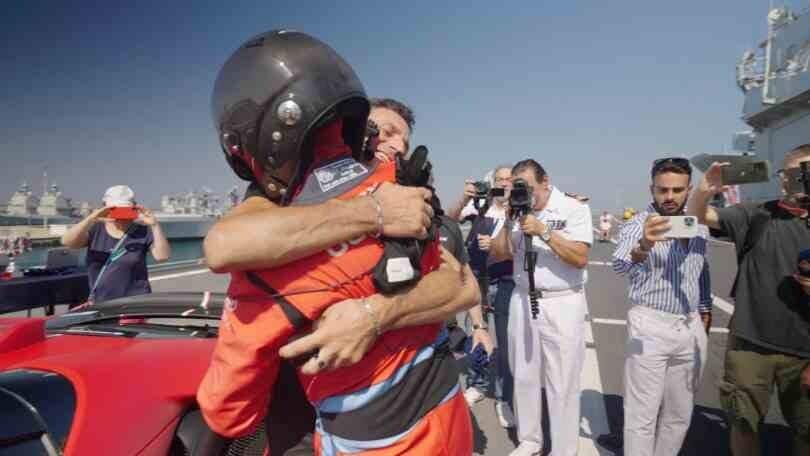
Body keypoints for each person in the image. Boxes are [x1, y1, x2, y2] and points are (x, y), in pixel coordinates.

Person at [196, 30, 474, 455]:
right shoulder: (406, 201)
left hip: (371, 440)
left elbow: (229, 405)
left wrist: (372, 315)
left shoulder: (270, 253)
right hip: (446, 416)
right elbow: (459, 282)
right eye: (377, 130)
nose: (383, 140)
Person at [688, 144, 810, 456]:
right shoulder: (757, 215)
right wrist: (704, 190)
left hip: (805, 351)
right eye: (795, 173)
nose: (799, 180)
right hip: (750, 344)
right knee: (744, 423)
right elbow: (698, 216)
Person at [491, 159, 592, 456]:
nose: (526, 194)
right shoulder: (518, 213)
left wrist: (544, 231)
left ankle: (563, 449)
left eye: (529, 188)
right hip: (523, 297)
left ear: (546, 181)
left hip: (561, 301)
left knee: (562, 381)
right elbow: (498, 253)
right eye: (519, 188)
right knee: (523, 373)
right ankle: (530, 440)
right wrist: (510, 221)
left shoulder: (574, 209)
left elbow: (580, 257)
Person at [612, 157, 712, 456]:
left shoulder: (701, 223)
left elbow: (701, 269)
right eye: (662, 190)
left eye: (677, 190)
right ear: (652, 189)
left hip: (690, 325)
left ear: (689, 190)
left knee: (680, 413)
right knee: (642, 413)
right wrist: (644, 245)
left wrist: (705, 311)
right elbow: (619, 265)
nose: (669, 197)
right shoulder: (639, 223)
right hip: (650, 325)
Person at [448, 165, 516, 428]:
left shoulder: (519, 211)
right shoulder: (480, 206)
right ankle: (478, 383)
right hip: (477, 281)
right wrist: (465, 197)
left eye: (509, 180)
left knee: (505, 344)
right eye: (500, 180)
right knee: (476, 334)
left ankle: (504, 397)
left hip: (506, 282)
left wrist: (500, 249)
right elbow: (450, 220)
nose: (505, 184)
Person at [61, 185, 170, 303]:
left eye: (124, 209)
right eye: (115, 209)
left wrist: (154, 225)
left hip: (135, 302)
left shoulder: (143, 231)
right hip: (101, 302)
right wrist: (91, 218)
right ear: (105, 208)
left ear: (134, 207)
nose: (120, 214)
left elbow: (162, 256)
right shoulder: (95, 230)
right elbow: (68, 242)